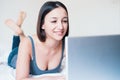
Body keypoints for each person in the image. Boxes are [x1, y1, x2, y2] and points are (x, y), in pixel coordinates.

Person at [5, 1, 69, 80]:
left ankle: (19, 32)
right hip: (16, 54)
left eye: (64, 21)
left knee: (24, 42)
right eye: (54, 21)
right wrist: (50, 78)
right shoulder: (27, 43)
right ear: (42, 25)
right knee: (16, 48)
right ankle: (18, 33)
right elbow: (21, 79)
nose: (61, 27)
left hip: (28, 46)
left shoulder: (67, 45)